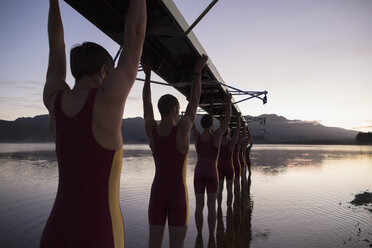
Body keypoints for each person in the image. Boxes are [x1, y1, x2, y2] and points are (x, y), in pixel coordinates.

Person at [40, 0, 146, 247]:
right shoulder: (107, 99)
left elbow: (55, 45)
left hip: (55, 232)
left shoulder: (54, 100)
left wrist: (53, 3)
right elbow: (137, 34)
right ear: (103, 72)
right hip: (99, 234)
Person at [142, 54, 208, 248]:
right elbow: (195, 100)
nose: (180, 113)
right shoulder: (182, 130)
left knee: (153, 244)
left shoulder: (151, 130)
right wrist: (197, 71)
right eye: (179, 110)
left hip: (157, 193)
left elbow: (147, 104)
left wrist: (147, 77)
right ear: (173, 110)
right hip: (177, 194)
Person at [192, 94, 232, 238]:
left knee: (198, 206)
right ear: (211, 124)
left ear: (202, 123)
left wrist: (192, 103)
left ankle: (198, 235)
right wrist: (228, 102)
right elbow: (226, 121)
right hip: (211, 173)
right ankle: (210, 236)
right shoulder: (216, 136)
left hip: (198, 172)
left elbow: (190, 119)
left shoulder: (196, 136)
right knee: (211, 207)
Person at [217, 114, 241, 208]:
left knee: (220, 189)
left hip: (220, 166)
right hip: (229, 167)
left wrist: (221, 123)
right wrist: (238, 119)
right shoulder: (231, 143)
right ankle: (229, 207)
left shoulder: (217, 140)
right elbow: (237, 132)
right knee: (229, 189)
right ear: (228, 133)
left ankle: (219, 207)